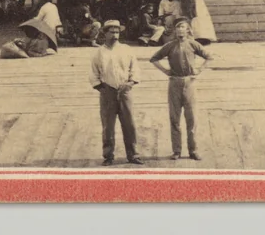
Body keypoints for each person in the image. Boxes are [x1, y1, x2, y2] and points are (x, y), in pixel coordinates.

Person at [149, 17, 212, 160]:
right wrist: (165, 71)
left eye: (182, 27)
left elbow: (209, 57)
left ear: (188, 29)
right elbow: (154, 58)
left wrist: (199, 70)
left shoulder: (193, 44)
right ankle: (176, 151)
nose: (179, 30)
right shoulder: (170, 45)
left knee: (192, 118)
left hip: (189, 83)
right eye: (177, 28)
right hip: (174, 83)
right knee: (174, 118)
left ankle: (193, 150)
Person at [89, 21, 144, 166]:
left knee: (129, 124)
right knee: (108, 126)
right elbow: (93, 74)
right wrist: (102, 89)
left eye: (117, 32)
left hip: (125, 90)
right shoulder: (99, 53)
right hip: (108, 91)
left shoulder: (126, 49)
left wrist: (130, 83)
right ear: (105, 34)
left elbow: (135, 69)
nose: (115, 35)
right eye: (111, 32)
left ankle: (133, 155)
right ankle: (108, 156)